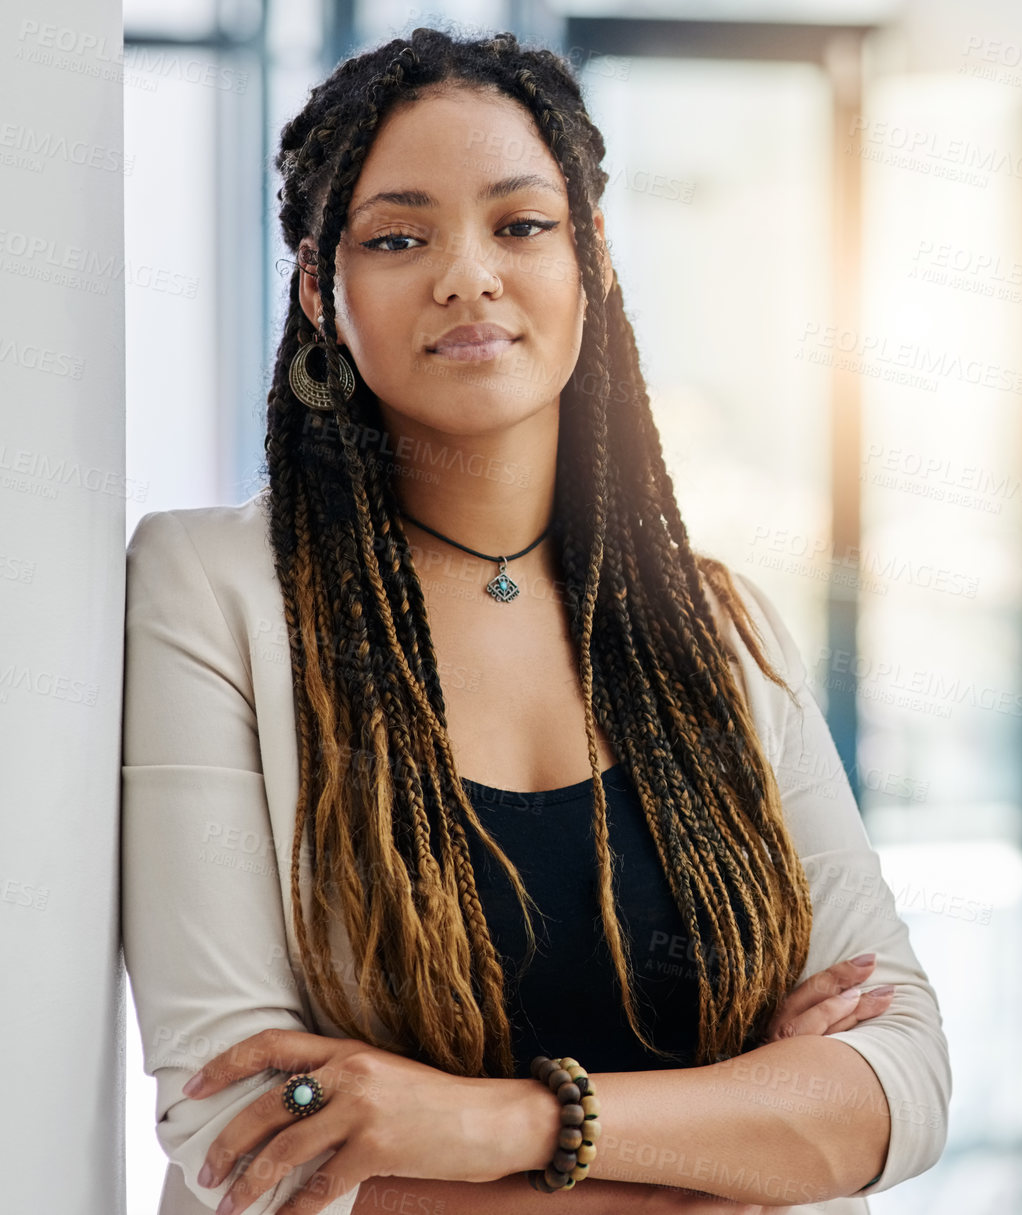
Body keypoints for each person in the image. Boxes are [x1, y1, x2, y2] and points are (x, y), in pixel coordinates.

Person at [120, 27, 950, 1215]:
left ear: (592, 258)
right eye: (399, 237)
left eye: (520, 226)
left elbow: (900, 1079)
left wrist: (496, 1123)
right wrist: (736, 1149)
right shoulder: (212, 590)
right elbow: (240, 1134)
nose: (469, 276)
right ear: (320, 287)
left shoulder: (720, 626)